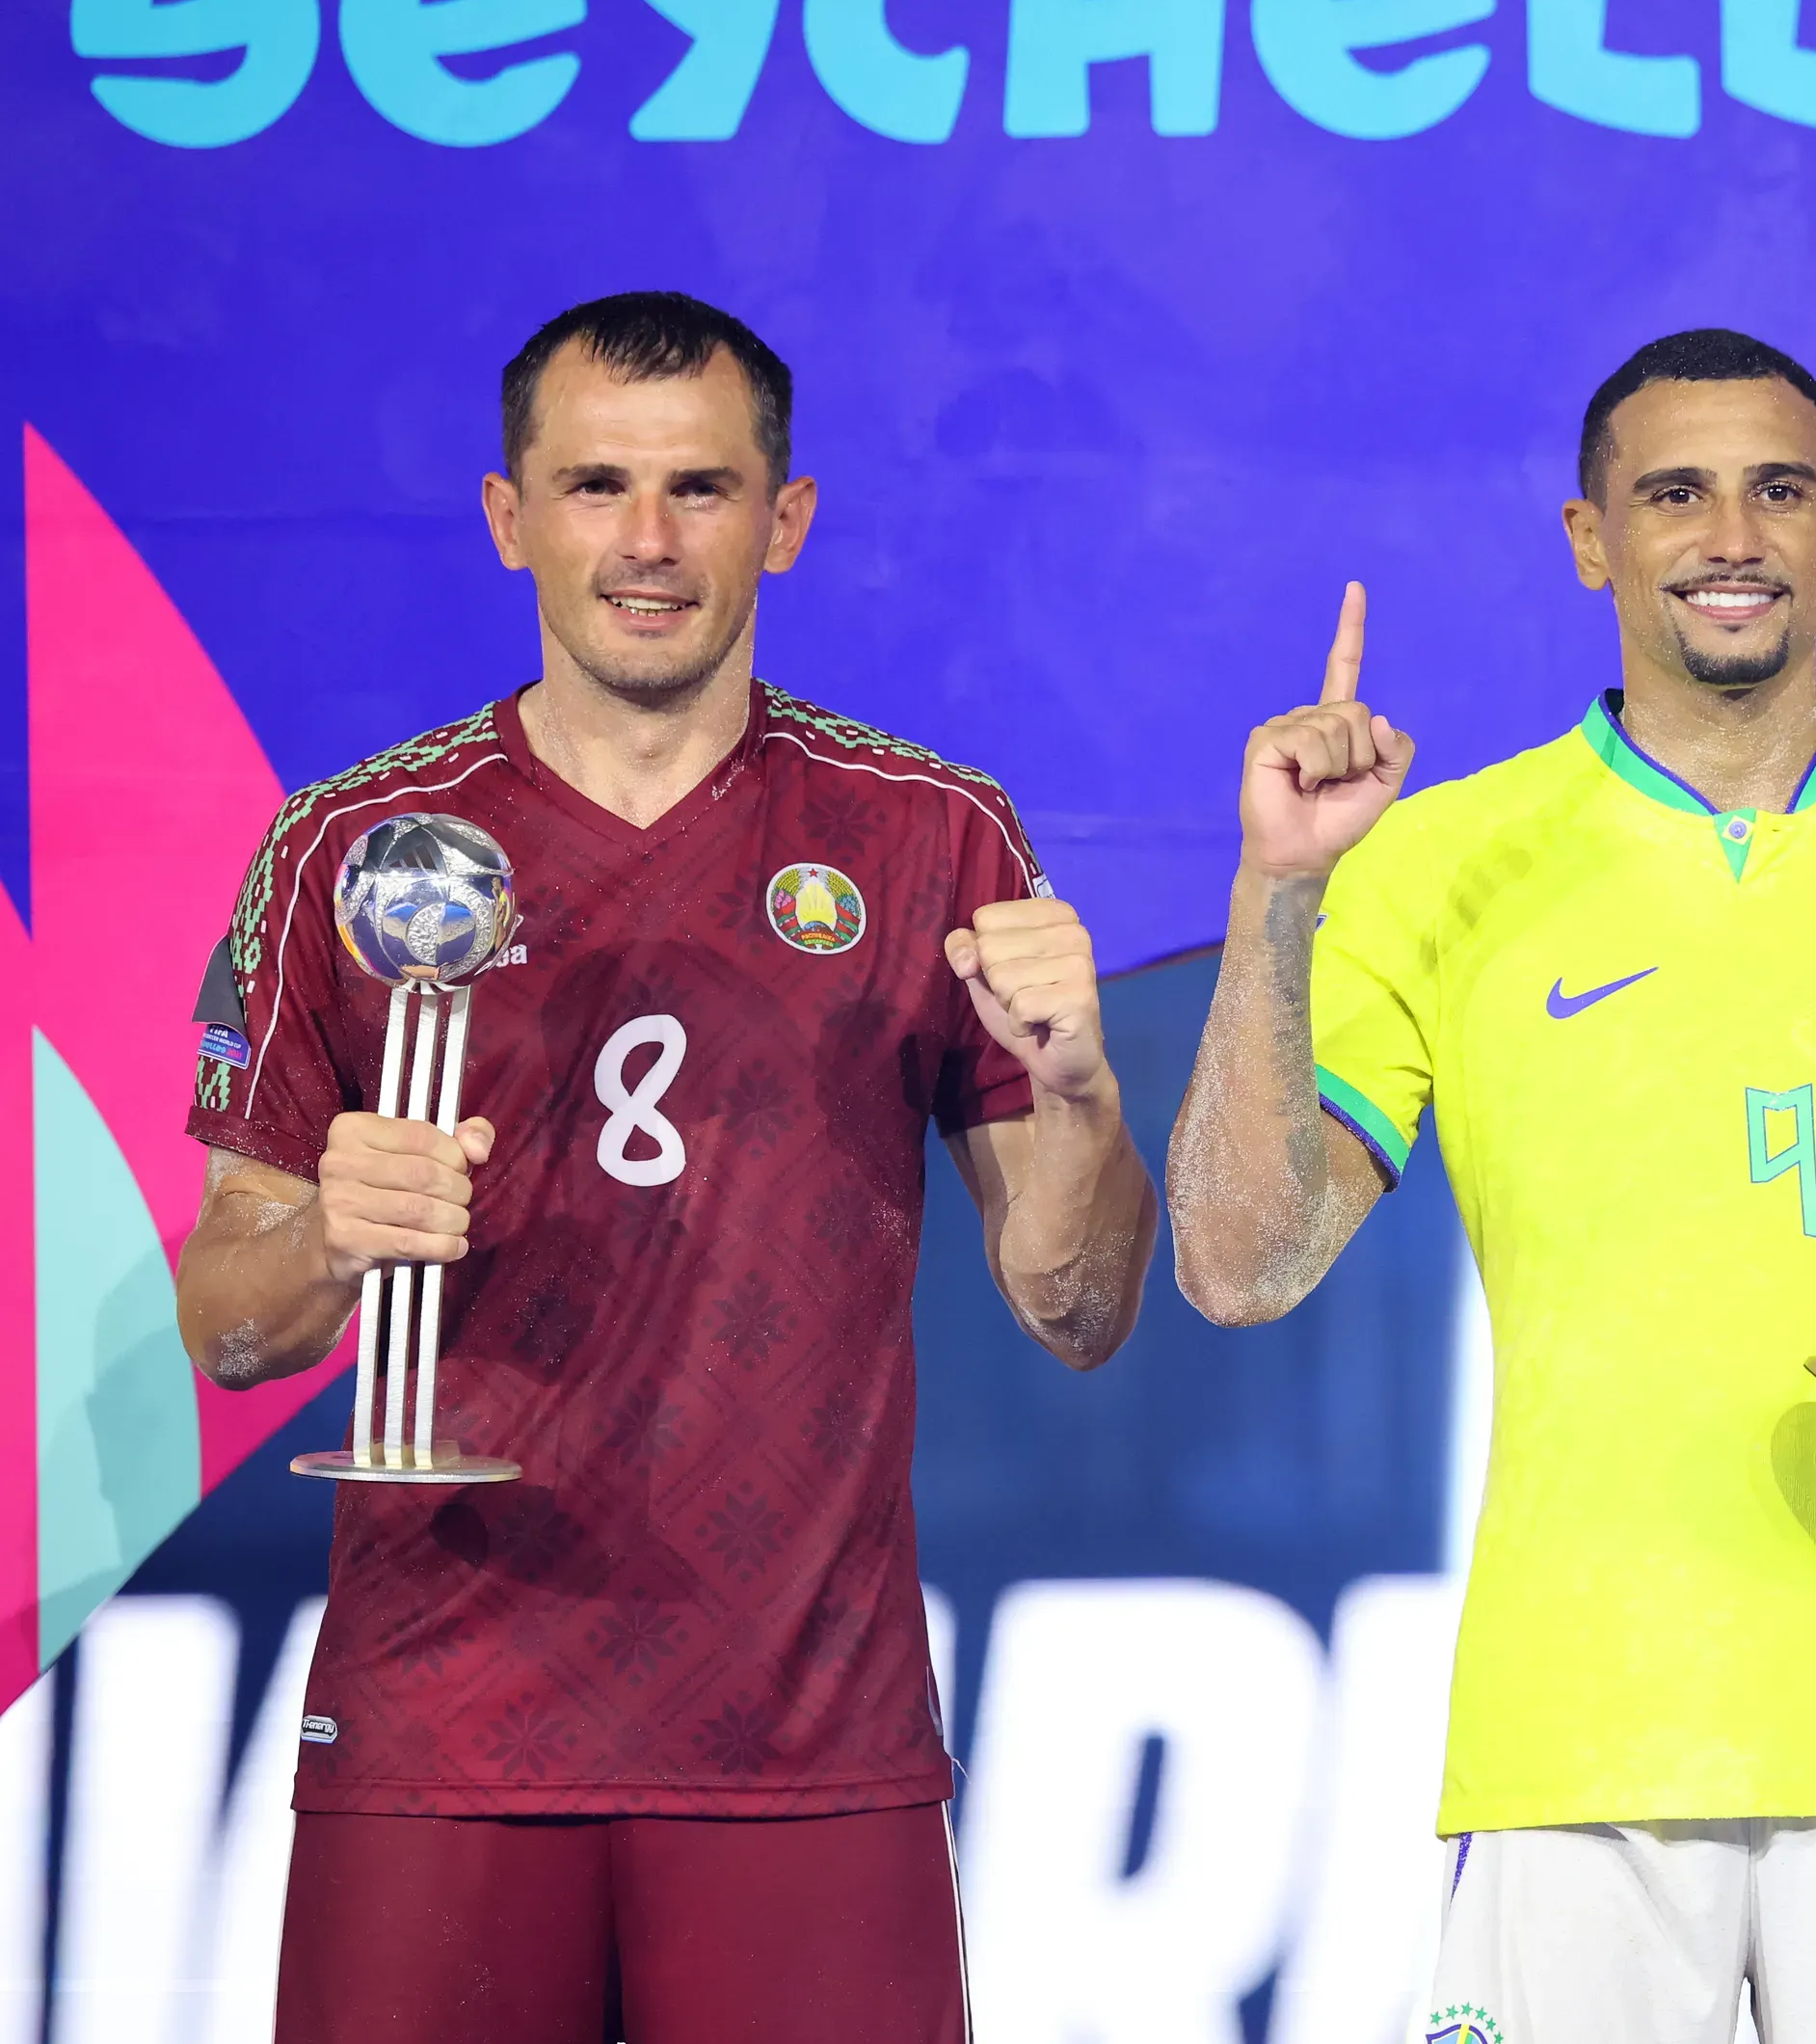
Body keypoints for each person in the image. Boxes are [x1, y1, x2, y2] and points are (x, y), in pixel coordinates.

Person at [1166, 328, 1816, 2043]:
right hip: (1579, 1724)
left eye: (1777, 490)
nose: (1731, 533)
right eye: (1675, 492)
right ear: (1590, 537)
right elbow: (1240, 1263)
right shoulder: (1442, 858)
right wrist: (1278, 894)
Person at [174, 290, 1156, 2043]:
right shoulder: (348, 849)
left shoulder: (931, 835)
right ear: (509, 515)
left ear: (785, 518)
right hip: (442, 1727)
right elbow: (231, 1324)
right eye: (594, 486)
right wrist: (331, 1231)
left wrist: (1079, 1090)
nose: (645, 542)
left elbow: (1074, 1310)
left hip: (810, 1740)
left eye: (700, 490)